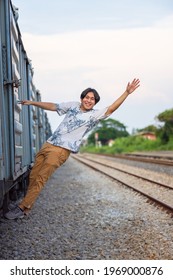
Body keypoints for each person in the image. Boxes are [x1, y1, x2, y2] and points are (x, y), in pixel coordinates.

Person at [5, 78, 140, 219]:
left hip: (61, 150)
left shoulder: (94, 115)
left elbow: (112, 108)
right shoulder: (74, 106)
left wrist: (127, 92)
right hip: (49, 144)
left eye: (92, 99)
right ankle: (26, 207)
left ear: (95, 102)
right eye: (87, 97)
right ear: (82, 98)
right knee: (33, 176)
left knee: (40, 178)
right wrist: (33, 102)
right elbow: (54, 106)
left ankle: (21, 208)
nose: (89, 100)